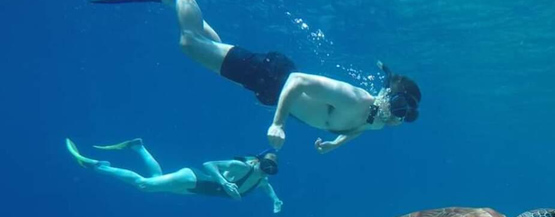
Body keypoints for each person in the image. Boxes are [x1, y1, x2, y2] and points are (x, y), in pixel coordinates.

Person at [89, 0, 422, 154]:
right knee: (189, 44)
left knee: (211, 48)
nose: (399, 117)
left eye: (406, 114)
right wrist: (279, 123)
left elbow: (360, 129)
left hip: (266, 87)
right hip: (272, 76)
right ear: (386, 94)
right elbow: (298, 82)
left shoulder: (377, 120)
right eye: (400, 106)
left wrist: (336, 143)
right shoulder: (357, 98)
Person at [65, 138, 284, 213]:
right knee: (144, 185)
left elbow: (267, 188)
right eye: (266, 164)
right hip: (193, 179)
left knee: (154, 179)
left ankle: (138, 147)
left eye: (271, 169)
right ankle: (98, 165)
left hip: (194, 190)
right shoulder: (242, 167)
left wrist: (275, 200)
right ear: (257, 160)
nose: (267, 170)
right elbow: (209, 164)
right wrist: (225, 182)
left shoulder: (261, 179)